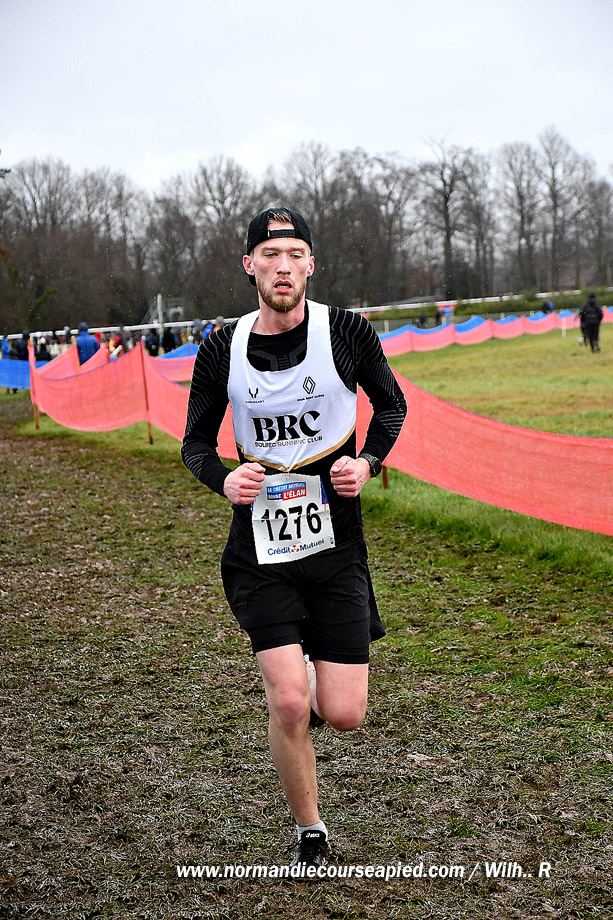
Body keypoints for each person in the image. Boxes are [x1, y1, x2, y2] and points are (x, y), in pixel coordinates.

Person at [182, 207, 407, 870]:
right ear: (249, 265)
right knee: (287, 702)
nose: (282, 266)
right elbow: (195, 443)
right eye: (269, 254)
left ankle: (305, 673)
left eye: (294, 254)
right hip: (259, 550)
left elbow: (391, 405)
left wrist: (367, 462)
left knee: (343, 713)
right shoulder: (221, 346)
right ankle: (310, 829)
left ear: (311, 264)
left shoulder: (346, 331)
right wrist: (223, 480)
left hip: (335, 545)